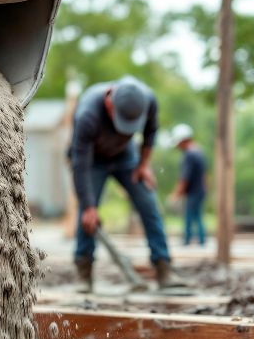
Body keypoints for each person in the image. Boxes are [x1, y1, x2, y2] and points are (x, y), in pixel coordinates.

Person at [69, 76, 183, 292]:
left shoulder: (148, 100)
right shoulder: (88, 114)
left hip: (126, 157)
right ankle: (84, 272)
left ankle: (163, 268)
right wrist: (88, 205)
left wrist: (143, 165)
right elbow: (80, 163)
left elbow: (150, 134)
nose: (125, 130)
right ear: (110, 103)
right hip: (92, 160)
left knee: (149, 204)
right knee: (88, 215)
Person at [169, 124, 207, 246]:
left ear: (183, 140)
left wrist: (176, 194)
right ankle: (201, 240)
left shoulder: (189, 154)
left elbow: (184, 178)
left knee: (189, 216)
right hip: (200, 190)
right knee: (197, 215)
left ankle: (187, 240)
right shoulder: (199, 151)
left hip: (194, 191)